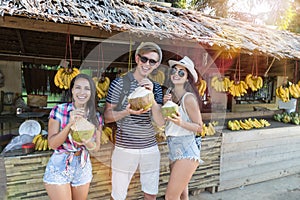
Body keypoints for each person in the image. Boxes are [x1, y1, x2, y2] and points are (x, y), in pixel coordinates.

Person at [104, 42, 165, 200]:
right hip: (125, 148)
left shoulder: (156, 87)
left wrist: (151, 96)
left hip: (150, 147)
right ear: (137, 59)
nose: (147, 64)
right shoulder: (119, 83)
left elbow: (160, 122)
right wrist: (126, 111)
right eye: (144, 59)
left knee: (150, 193)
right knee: (118, 195)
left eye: (152, 61)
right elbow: (107, 116)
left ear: (157, 64)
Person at [43, 73, 102, 200]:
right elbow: (52, 144)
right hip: (60, 164)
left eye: (87, 88)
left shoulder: (95, 116)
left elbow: (96, 148)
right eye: (78, 87)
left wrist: (87, 142)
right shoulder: (59, 110)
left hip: (82, 164)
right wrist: (70, 123)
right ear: (72, 90)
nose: (82, 92)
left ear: (92, 92)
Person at [163, 56, 204, 200]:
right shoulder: (169, 94)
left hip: (186, 149)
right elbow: (165, 122)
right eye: (174, 70)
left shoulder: (189, 99)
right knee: (182, 195)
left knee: (170, 197)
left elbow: (200, 128)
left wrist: (180, 122)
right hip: (174, 147)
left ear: (187, 78)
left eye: (182, 72)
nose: (176, 74)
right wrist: (164, 105)